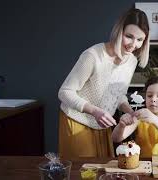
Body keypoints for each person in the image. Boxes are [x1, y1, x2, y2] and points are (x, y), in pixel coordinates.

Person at [58, 8, 150, 159]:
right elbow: (64, 92)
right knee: (82, 172)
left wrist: (131, 112)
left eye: (140, 40)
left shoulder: (131, 61)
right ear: (119, 31)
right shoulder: (93, 56)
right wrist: (95, 111)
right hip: (77, 120)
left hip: (102, 123)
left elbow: (118, 95)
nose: (133, 44)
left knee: (102, 169)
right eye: (129, 36)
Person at [112, 76, 158, 157]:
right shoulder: (139, 117)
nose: (153, 99)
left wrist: (153, 119)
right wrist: (121, 125)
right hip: (143, 164)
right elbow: (116, 138)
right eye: (149, 95)